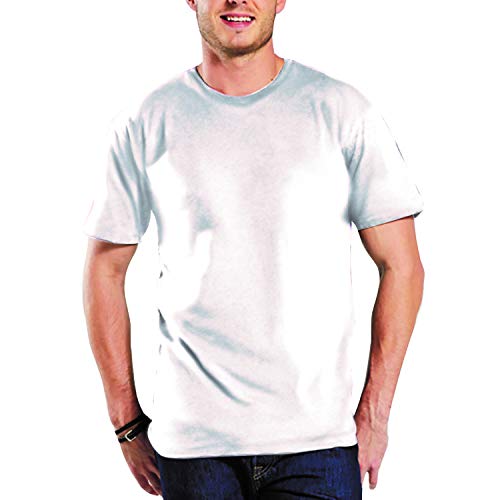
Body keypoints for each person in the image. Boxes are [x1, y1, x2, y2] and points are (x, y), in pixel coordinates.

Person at [82, 0, 425, 498]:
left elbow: (402, 266)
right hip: (195, 449)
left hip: (318, 444)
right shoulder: (146, 122)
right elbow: (105, 269)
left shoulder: (342, 111)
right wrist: (126, 422)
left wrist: (375, 412)